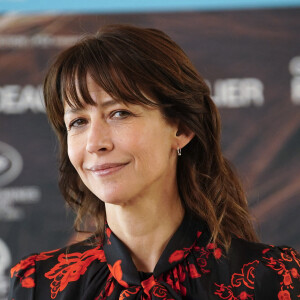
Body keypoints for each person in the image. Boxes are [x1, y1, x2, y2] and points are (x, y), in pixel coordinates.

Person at [9, 24, 300, 300]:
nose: (95, 143)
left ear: (182, 128)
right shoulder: (40, 285)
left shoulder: (273, 278)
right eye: (78, 122)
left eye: (119, 113)